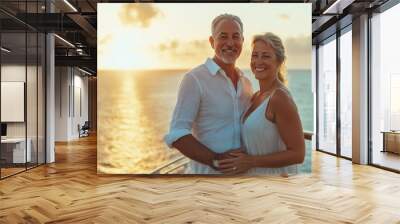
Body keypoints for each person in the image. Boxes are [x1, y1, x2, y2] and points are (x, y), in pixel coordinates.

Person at [164, 14, 253, 174]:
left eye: (236, 37)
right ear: (212, 42)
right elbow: (177, 133)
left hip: (243, 178)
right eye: (223, 37)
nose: (230, 43)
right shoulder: (195, 79)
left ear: (242, 41)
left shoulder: (246, 82)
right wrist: (215, 159)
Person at [217, 32, 305, 175]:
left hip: (276, 186)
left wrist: (251, 161)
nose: (258, 61)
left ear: (279, 61)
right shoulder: (256, 96)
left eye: (266, 56)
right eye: (255, 55)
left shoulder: (279, 98)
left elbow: (298, 154)